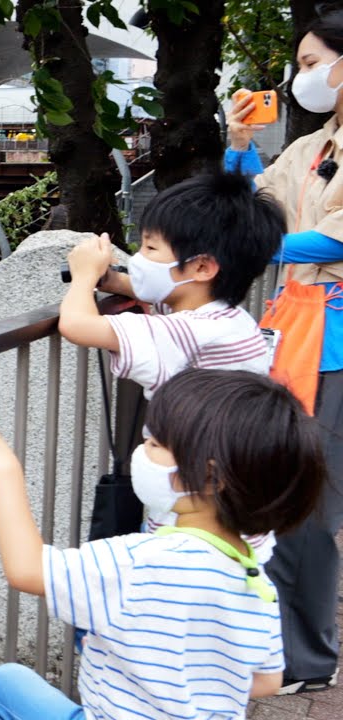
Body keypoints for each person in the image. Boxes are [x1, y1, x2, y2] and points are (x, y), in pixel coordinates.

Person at [0, 369, 325, 719]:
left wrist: (3, 464)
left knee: (1, 685)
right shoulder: (254, 580)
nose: (142, 450)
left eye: (155, 443)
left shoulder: (139, 562)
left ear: (210, 475)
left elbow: (27, 569)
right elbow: (267, 680)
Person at [58, 173, 285, 561]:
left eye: (150, 248)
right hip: (233, 505)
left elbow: (76, 325)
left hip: (193, 511)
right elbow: (160, 291)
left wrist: (82, 277)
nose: (140, 258)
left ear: (201, 268)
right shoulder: (224, 319)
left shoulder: (186, 334)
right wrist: (113, 280)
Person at [226, 9, 343, 694]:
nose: (300, 78)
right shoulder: (314, 145)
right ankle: (286, 652)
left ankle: (308, 659)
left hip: (334, 336)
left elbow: (333, 241)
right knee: (289, 487)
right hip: (298, 327)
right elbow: (256, 199)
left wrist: (261, 245)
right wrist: (240, 145)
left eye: (308, 64)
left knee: (311, 499)